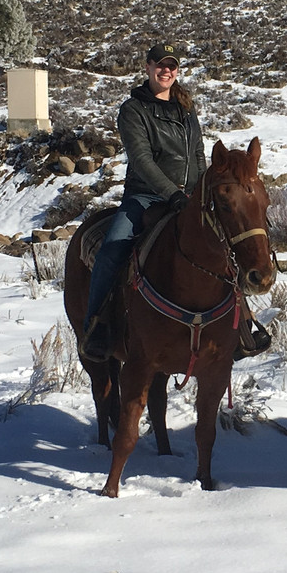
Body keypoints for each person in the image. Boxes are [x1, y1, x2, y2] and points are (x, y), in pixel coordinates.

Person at [80, 43, 206, 361]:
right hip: (146, 197)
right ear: (148, 67)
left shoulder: (187, 109)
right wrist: (172, 194)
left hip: (189, 196)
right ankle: (96, 326)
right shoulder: (133, 110)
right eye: (160, 65)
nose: (166, 71)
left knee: (228, 246)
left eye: (172, 66)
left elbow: (199, 155)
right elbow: (142, 159)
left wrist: (202, 191)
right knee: (112, 249)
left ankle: (241, 328)